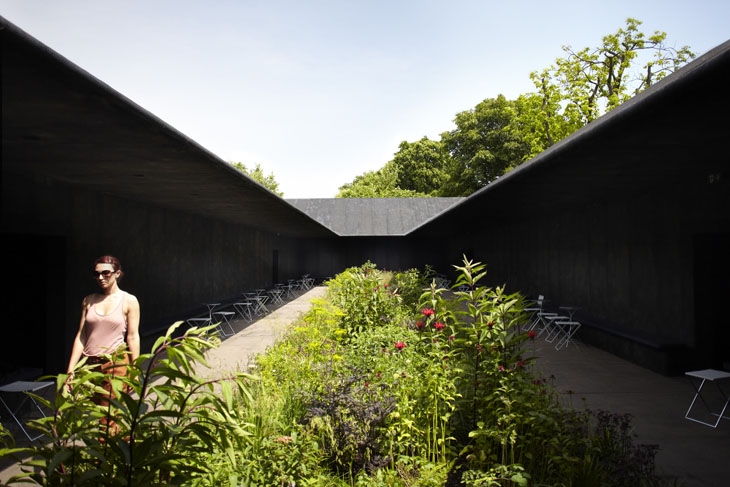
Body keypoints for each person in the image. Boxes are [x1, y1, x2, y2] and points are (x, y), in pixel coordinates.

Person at [65, 255, 140, 436]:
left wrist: (135, 371)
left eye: (106, 273)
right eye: (97, 274)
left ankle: (109, 460)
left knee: (110, 416)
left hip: (115, 363)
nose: (101, 277)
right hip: (89, 364)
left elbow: (132, 337)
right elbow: (81, 336)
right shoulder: (89, 300)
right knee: (90, 414)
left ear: (117, 273)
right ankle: (105, 456)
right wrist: (70, 370)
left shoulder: (129, 300)